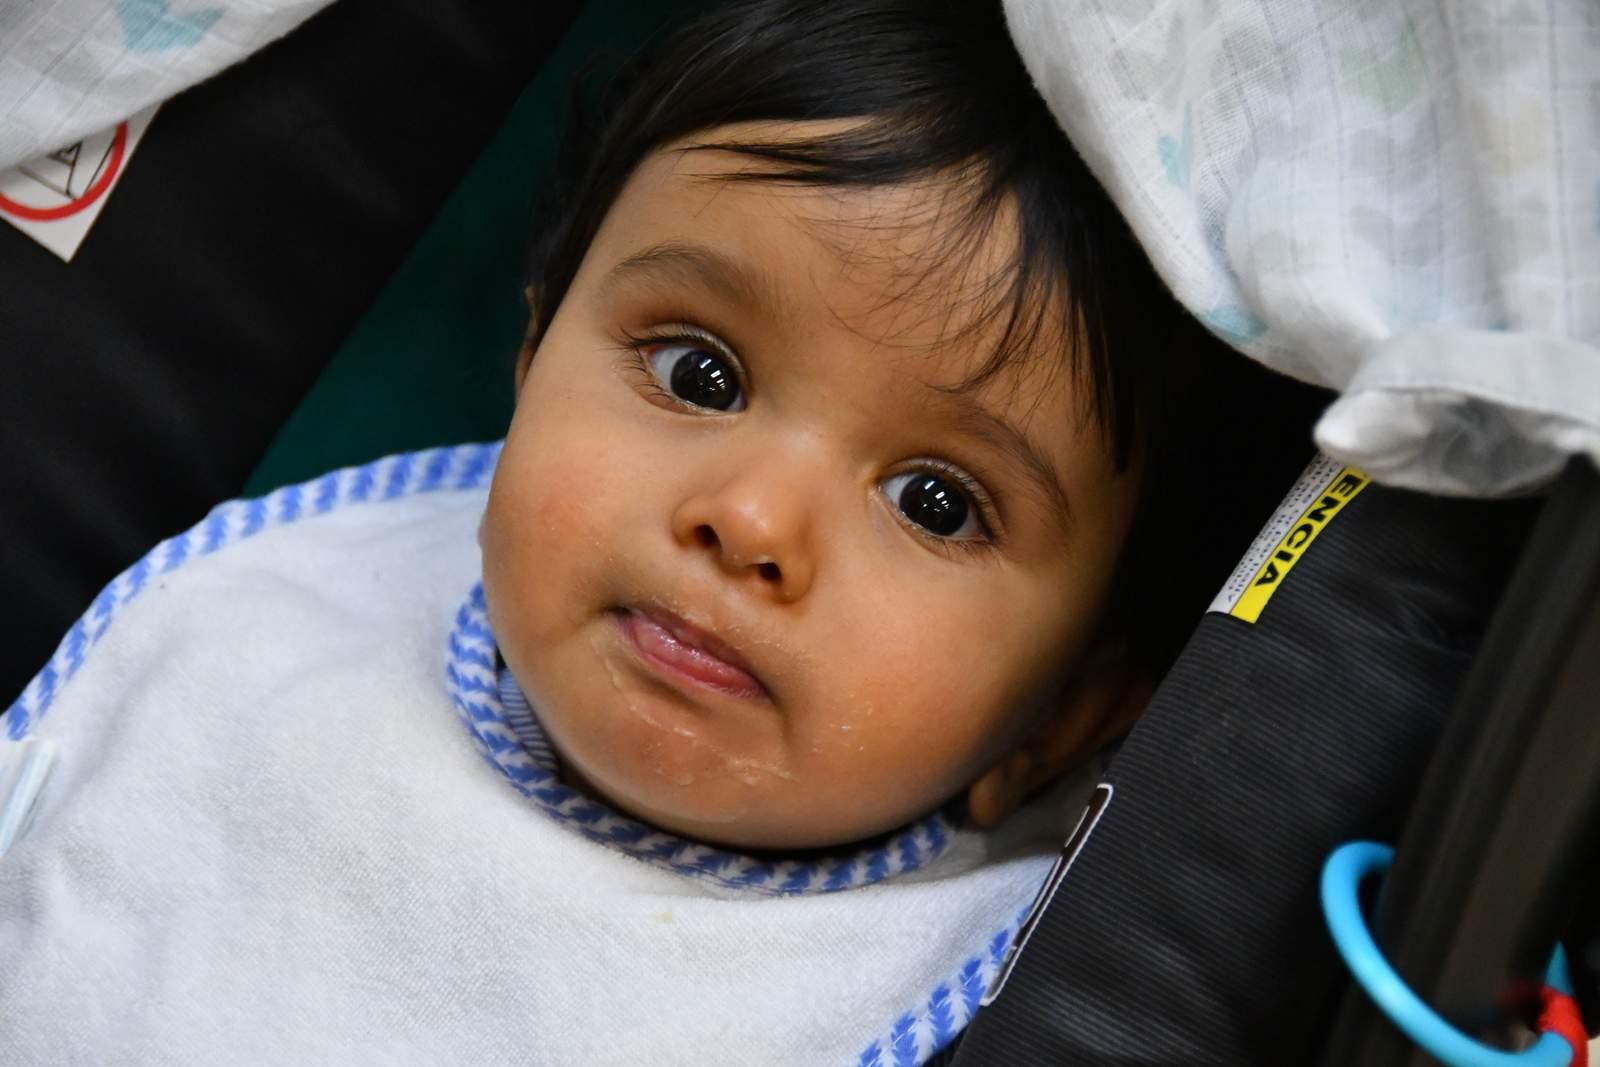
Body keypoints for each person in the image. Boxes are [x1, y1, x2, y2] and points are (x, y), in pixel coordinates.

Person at [0, 1, 1324, 1062]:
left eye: (935, 502)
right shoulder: (290, 628)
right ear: (533, 353)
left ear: (1066, 717)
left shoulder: (971, 994)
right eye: (700, 374)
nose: (748, 521)